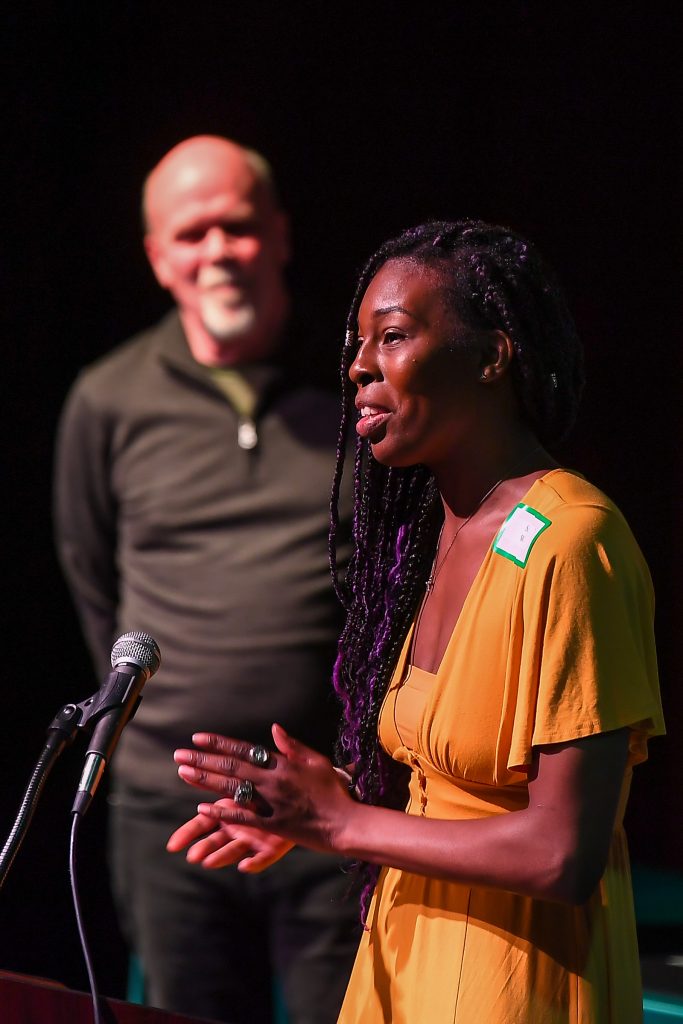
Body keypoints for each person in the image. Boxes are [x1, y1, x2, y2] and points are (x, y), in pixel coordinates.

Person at [168, 219, 665, 1024]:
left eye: (392, 336)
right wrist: (323, 808)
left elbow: (561, 851)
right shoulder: (433, 536)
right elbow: (439, 799)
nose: (359, 366)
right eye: (357, 345)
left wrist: (346, 823)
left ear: (493, 354)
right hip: (406, 957)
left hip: (512, 981)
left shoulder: (573, 542)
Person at [53, 135, 359, 1024]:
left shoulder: (353, 385)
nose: (217, 251)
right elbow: (91, 581)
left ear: (281, 234)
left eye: (238, 227)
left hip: (325, 800)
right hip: (167, 814)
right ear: (157, 258)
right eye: (192, 234)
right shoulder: (107, 400)